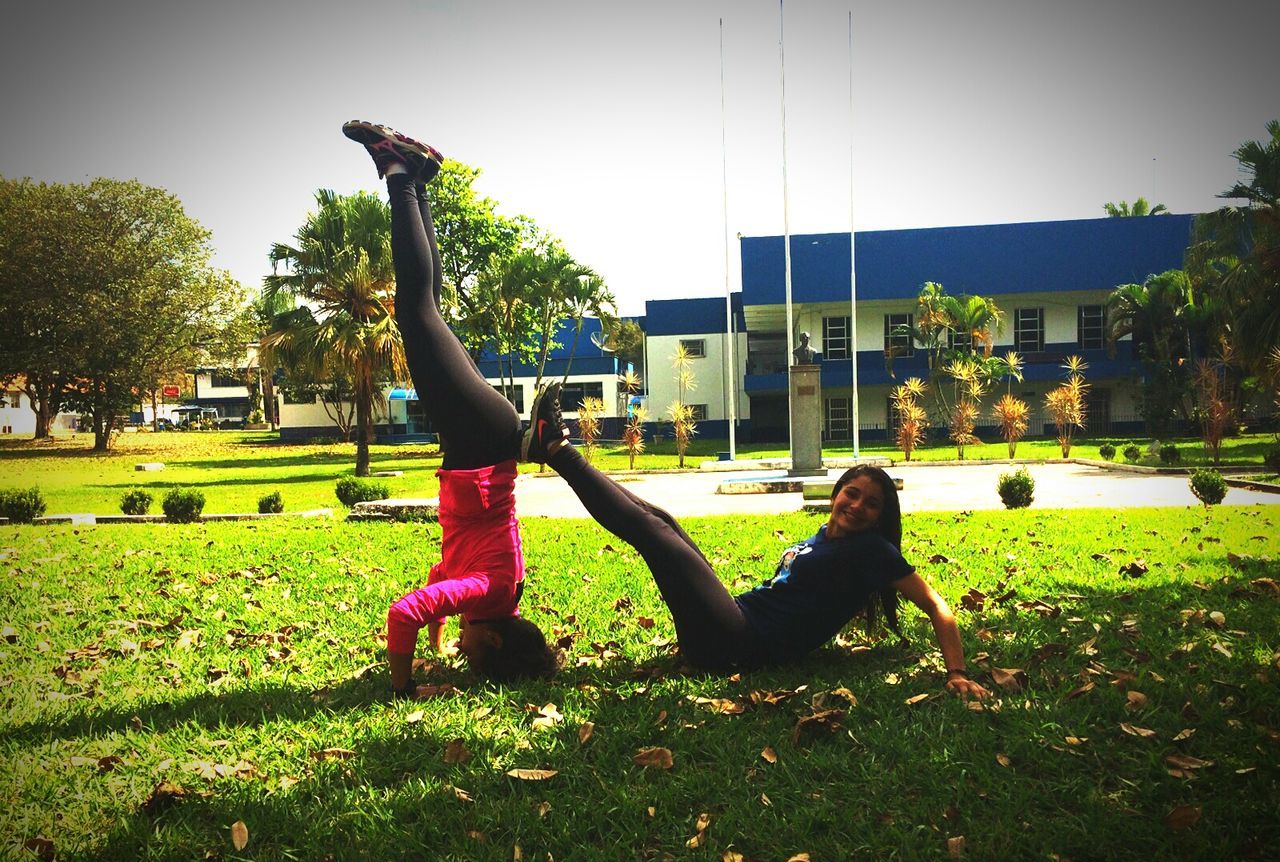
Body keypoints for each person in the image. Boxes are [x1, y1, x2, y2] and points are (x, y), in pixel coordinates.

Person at [521, 386, 989, 698]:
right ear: (837, 493)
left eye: (871, 504)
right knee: (661, 519)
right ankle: (551, 447)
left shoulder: (871, 552)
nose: (857, 506)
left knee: (655, 535)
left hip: (735, 642)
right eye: (853, 493)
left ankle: (556, 448)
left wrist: (957, 673)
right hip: (731, 624)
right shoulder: (824, 537)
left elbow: (937, 607)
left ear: (880, 518)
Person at [342, 121, 561, 695]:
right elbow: (404, 612)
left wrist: (437, 643)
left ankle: (417, 177)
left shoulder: (490, 595)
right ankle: (397, 170)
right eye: (469, 652)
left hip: (479, 443)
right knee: (416, 312)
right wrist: (404, 687)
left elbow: (439, 583)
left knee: (426, 308)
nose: (461, 651)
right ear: (490, 639)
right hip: (479, 442)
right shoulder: (488, 591)